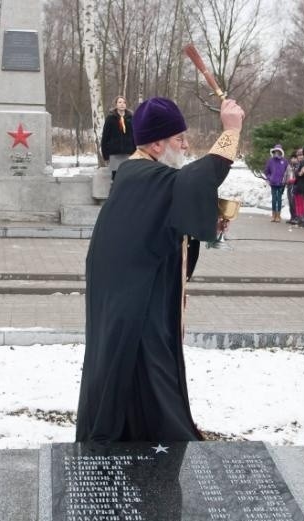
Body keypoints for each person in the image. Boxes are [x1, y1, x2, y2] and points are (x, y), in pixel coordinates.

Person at [75, 96, 245, 443]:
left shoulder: (140, 174)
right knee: (149, 369)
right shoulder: (142, 175)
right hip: (135, 303)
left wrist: (204, 223)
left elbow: (166, 219)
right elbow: (196, 179)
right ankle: (164, 438)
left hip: (138, 295)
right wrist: (231, 131)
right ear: (156, 143)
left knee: (139, 370)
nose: (185, 145)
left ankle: (142, 436)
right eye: (179, 139)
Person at [100, 95, 136, 181]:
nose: (122, 104)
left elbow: (135, 136)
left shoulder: (131, 118)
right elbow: (105, 137)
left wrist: (136, 152)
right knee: (116, 177)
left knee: (127, 177)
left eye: (124, 102)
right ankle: (115, 193)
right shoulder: (110, 118)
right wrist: (105, 155)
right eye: (119, 102)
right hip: (115, 153)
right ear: (116, 104)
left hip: (128, 153)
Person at [264, 144, 288, 222]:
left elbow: (287, 171)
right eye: (275, 151)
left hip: (281, 183)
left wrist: (285, 180)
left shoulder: (284, 161)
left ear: (281, 152)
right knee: (274, 199)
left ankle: (278, 215)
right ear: (273, 152)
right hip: (273, 183)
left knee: (279, 199)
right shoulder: (270, 161)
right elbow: (266, 171)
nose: (276, 153)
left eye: (278, 151)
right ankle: (273, 215)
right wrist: (269, 178)